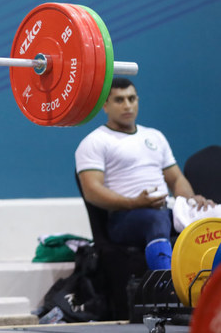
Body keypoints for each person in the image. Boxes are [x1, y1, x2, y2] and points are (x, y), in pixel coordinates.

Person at [75, 77, 215, 271]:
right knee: (154, 220)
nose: (127, 106)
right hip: (125, 219)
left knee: (215, 215)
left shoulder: (154, 136)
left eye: (132, 99)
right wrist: (133, 203)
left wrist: (191, 201)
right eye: (119, 100)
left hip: (165, 211)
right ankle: (164, 286)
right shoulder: (95, 142)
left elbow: (175, 179)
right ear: (105, 106)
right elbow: (92, 190)